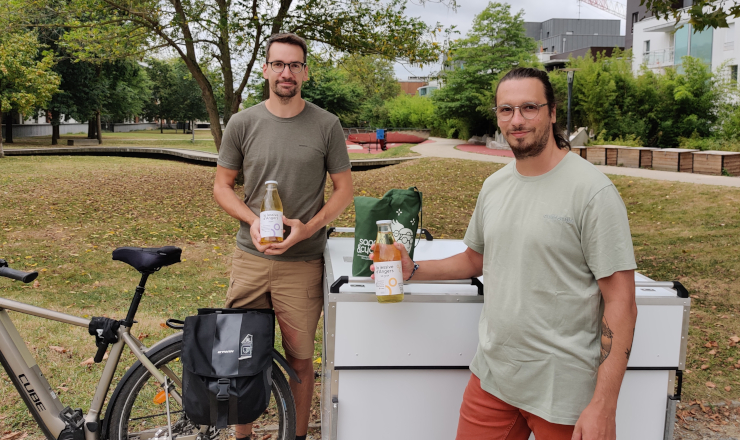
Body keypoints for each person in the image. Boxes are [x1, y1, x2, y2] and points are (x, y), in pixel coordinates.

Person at [371, 67, 637, 440]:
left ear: (553, 112)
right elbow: (475, 260)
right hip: (494, 377)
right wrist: (412, 268)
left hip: (561, 389)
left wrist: (604, 406)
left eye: (529, 107)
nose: (517, 120)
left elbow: (622, 301)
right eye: (506, 110)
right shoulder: (495, 186)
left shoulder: (592, 192)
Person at [213, 33, 353, 440]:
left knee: (300, 360)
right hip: (251, 259)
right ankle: (244, 436)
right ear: (266, 69)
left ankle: (294, 435)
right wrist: (251, 221)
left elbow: (344, 191)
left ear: (305, 72)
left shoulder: (327, 124)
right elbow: (222, 186)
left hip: (303, 262)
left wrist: (308, 228)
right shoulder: (243, 123)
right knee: (241, 357)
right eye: (278, 64)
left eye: (294, 65)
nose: (286, 72)